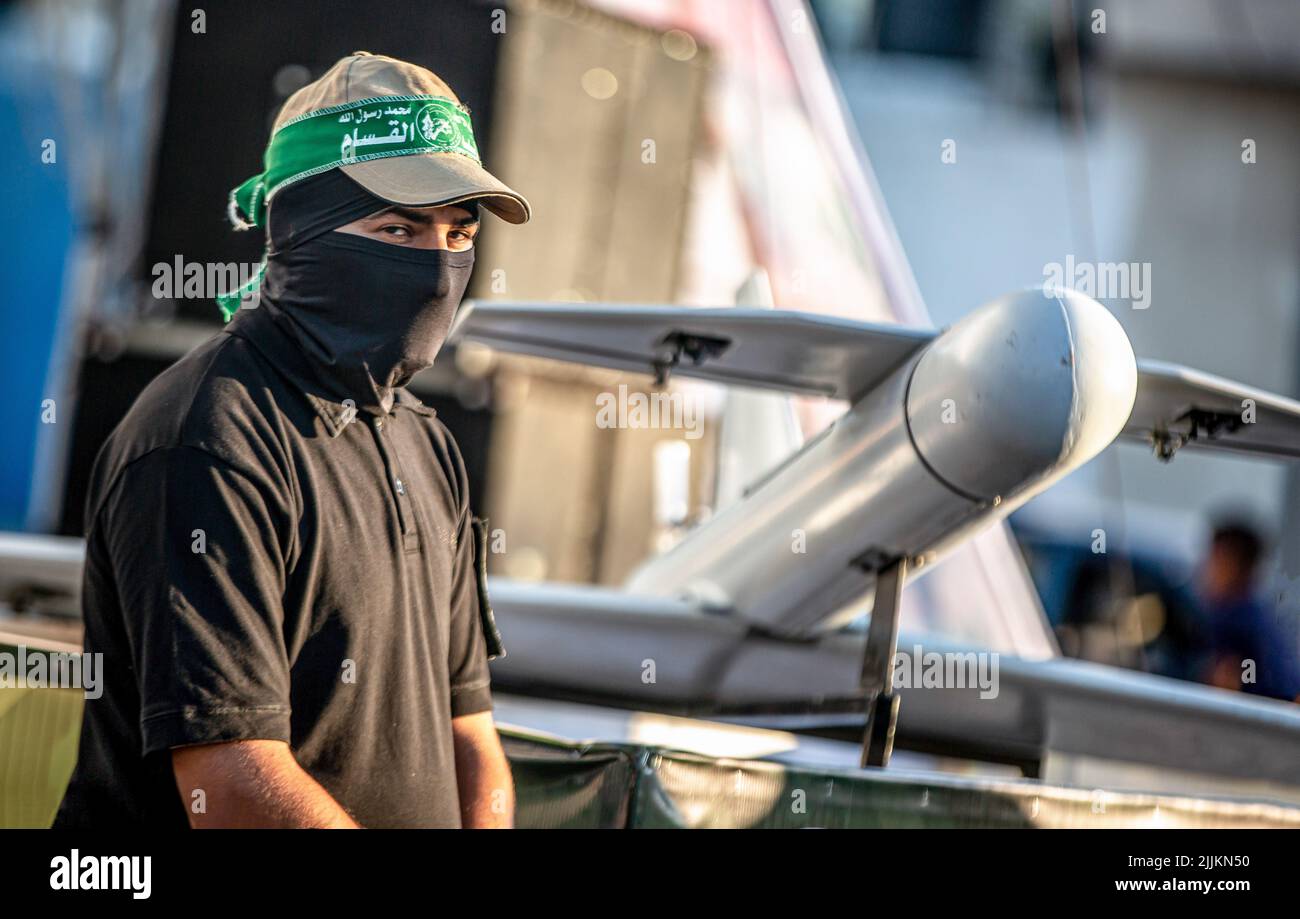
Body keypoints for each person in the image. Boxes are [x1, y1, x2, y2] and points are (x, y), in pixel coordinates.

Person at [54, 52, 530, 828]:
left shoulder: (427, 443)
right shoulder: (206, 439)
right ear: (300, 229)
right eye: (399, 228)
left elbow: (469, 731)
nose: (440, 267)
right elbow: (234, 782)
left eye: (458, 232)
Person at [1197, 519, 1300, 703]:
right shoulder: (1258, 615)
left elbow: (1228, 686)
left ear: (1235, 565)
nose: (1207, 569)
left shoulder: (1234, 621)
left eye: (1216, 560)